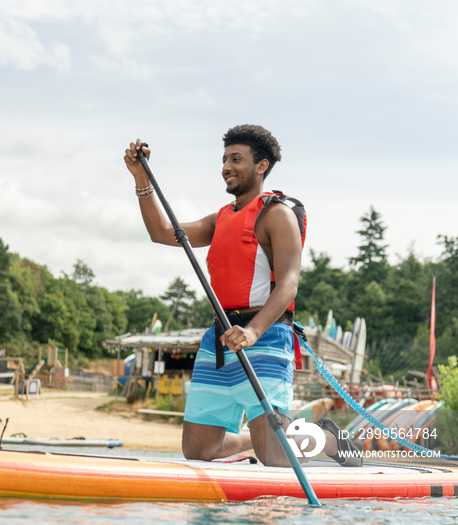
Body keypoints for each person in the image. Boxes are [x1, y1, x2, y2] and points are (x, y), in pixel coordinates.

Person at [123, 124, 362, 467]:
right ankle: (260, 437)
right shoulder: (220, 218)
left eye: (236, 159)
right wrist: (140, 178)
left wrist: (253, 331)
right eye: (224, 159)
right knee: (199, 451)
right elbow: (162, 233)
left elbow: (289, 284)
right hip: (219, 339)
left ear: (261, 166)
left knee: (275, 458)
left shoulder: (277, 215)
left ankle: (326, 438)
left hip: (264, 336)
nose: (226, 166)